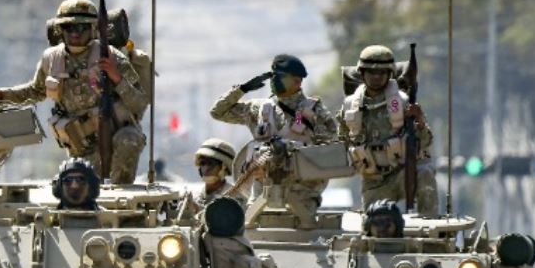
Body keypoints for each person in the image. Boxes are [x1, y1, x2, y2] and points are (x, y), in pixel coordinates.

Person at [0, 0, 151, 184]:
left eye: (82, 27)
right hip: (82, 149)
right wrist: (2, 95)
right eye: (69, 28)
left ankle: (121, 200)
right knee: (77, 192)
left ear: (93, 29)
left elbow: (139, 103)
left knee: (129, 139)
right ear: (59, 30)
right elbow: (35, 91)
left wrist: (116, 77)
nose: (75, 33)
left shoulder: (111, 57)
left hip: (115, 140)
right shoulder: (52, 60)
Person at [209, 54, 339, 226]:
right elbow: (218, 112)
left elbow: (330, 149)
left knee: (303, 234)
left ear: (297, 81)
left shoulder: (314, 110)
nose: (274, 80)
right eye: (273, 76)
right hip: (261, 194)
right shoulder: (259, 109)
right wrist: (242, 89)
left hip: (302, 192)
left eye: (281, 77)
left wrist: (293, 149)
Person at [339, 45, 436, 216]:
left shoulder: (402, 103)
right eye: (371, 72)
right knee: (375, 225)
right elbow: (341, 141)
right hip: (373, 179)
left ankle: (430, 232)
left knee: (425, 174)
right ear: (362, 73)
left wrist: (419, 120)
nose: (377, 77)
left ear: (390, 74)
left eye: (382, 73)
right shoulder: (350, 107)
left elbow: (426, 142)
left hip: (403, 171)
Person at [177, 137, 240, 226]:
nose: (206, 169)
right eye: (203, 163)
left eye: (211, 164)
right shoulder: (195, 196)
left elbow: (225, 223)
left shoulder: (235, 197)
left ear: (224, 167)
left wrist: (198, 210)